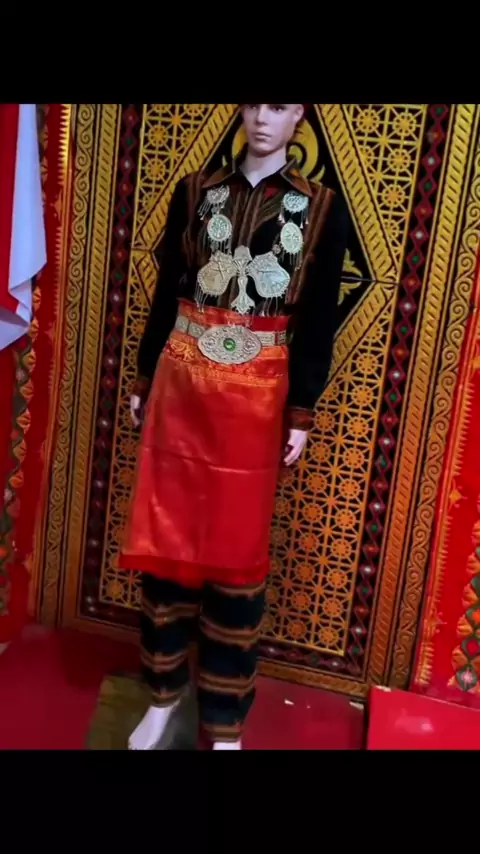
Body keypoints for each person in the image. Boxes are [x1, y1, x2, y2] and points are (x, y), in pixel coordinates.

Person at [119, 103, 349, 750]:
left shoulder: (322, 208)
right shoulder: (196, 192)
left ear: (300, 115)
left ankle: (223, 722)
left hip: (255, 402)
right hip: (181, 388)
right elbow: (168, 291)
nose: (262, 119)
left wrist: (301, 410)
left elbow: (319, 318)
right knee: (167, 548)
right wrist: (144, 377)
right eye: (252, 104)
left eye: (278, 106)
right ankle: (163, 696)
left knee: (235, 561)